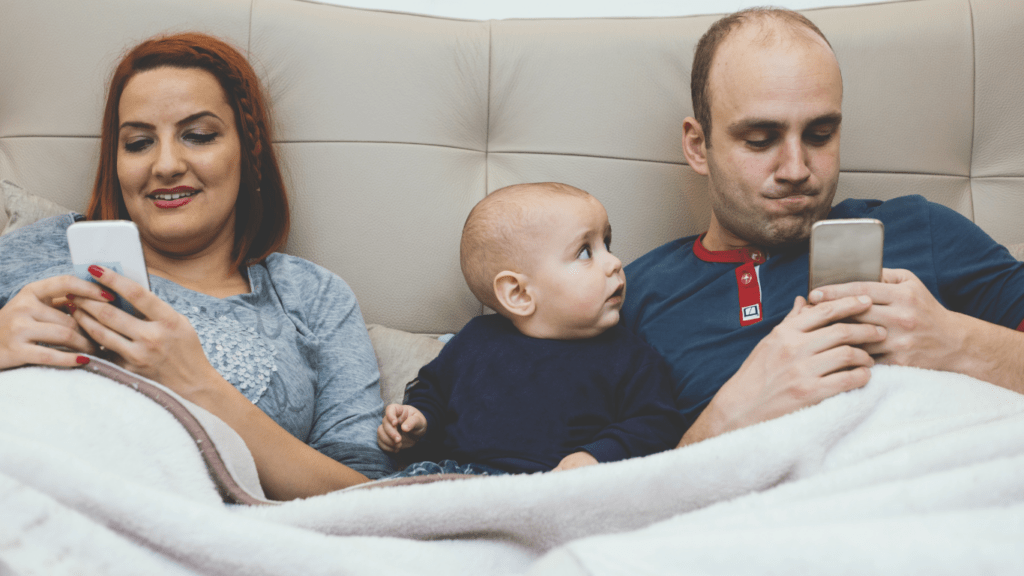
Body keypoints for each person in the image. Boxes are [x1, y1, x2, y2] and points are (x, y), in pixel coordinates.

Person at [0, 33, 392, 499]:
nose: (166, 164)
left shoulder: (312, 296)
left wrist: (199, 387)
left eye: (199, 136)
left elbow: (371, 499)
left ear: (248, 151)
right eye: (139, 142)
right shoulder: (36, 249)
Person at [622, 8, 1024, 447]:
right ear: (699, 146)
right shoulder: (633, 297)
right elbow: (590, 488)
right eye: (760, 139)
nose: (796, 169)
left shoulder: (920, 229)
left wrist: (959, 344)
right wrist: (725, 419)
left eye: (819, 134)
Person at [377, 183, 683, 475]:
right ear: (519, 294)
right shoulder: (476, 340)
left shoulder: (631, 358)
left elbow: (657, 425)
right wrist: (417, 421)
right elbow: (433, 392)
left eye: (607, 244)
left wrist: (596, 455)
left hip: (560, 487)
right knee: (385, 497)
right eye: (586, 252)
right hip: (455, 477)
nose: (615, 262)